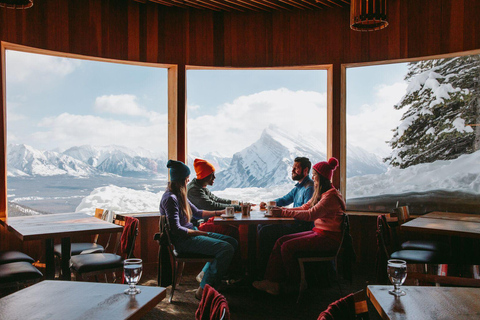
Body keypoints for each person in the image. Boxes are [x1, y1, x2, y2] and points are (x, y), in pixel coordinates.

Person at [253, 157, 345, 295]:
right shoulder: (323, 194)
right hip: (320, 233)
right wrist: (280, 210)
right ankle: (272, 281)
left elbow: (310, 215)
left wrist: (283, 211)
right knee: (281, 241)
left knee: (287, 246)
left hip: (328, 239)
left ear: (321, 178)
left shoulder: (330, 197)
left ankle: (295, 284)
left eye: (314, 176)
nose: (313, 179)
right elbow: (305, 207)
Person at [159, 159, 238, 299]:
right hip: (184, 241)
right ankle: (204, 289)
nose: (189, 180)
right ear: (182, 179)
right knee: (226, 248)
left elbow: (197, 212)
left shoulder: (179, 195)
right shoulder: (170, 199)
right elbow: (177, 230)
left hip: (191, 235)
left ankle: (206, 277)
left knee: (232, 242)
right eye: (187, 178)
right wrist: (201, 232)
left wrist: (217, 213)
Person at [257, 157, 314, 276]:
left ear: (305, 170)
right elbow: (284, 200)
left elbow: (307, 212)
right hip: (293, 223)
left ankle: (265, 272)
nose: (292, 170)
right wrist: (268, 203)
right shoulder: (298, 187)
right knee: (261, 225)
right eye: (293, 168)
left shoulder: (309, 188)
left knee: (265, 231)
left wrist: (282, 211)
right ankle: (266, 268)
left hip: (301, 227)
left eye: (296, 168)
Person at [187, 158, 243, 279]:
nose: (214, 178)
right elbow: (211, 205)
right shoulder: (194, 190)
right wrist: (238, 207)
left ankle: (222, 272)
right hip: (197, 226)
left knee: (232, 230)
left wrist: (238, 203)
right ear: (205, 175)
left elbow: (217, 199)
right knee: (232, 232)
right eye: (212, 175)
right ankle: (226, 273)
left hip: (202, 223)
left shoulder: (200, 187)